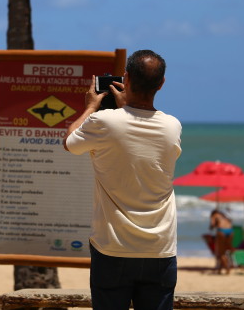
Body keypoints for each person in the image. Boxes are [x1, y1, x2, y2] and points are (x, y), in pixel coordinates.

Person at [63, 50, 182, 310]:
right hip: (159, 247)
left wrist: (90, 108)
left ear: (126, 78)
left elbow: (70, 142)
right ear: (161, 84)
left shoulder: (103, 121)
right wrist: (126, 108)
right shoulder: (173, 126)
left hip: (112, 246)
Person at [209, 209, 234, 274]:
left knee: (220, 252)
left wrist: (211, 227)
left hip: (222, 231)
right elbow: (230, 221)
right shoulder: (223, 215)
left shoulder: (214, 215)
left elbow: (212, 224)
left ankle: (227, 267)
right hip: (230, 231)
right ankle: (220, 269)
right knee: (226, 250)